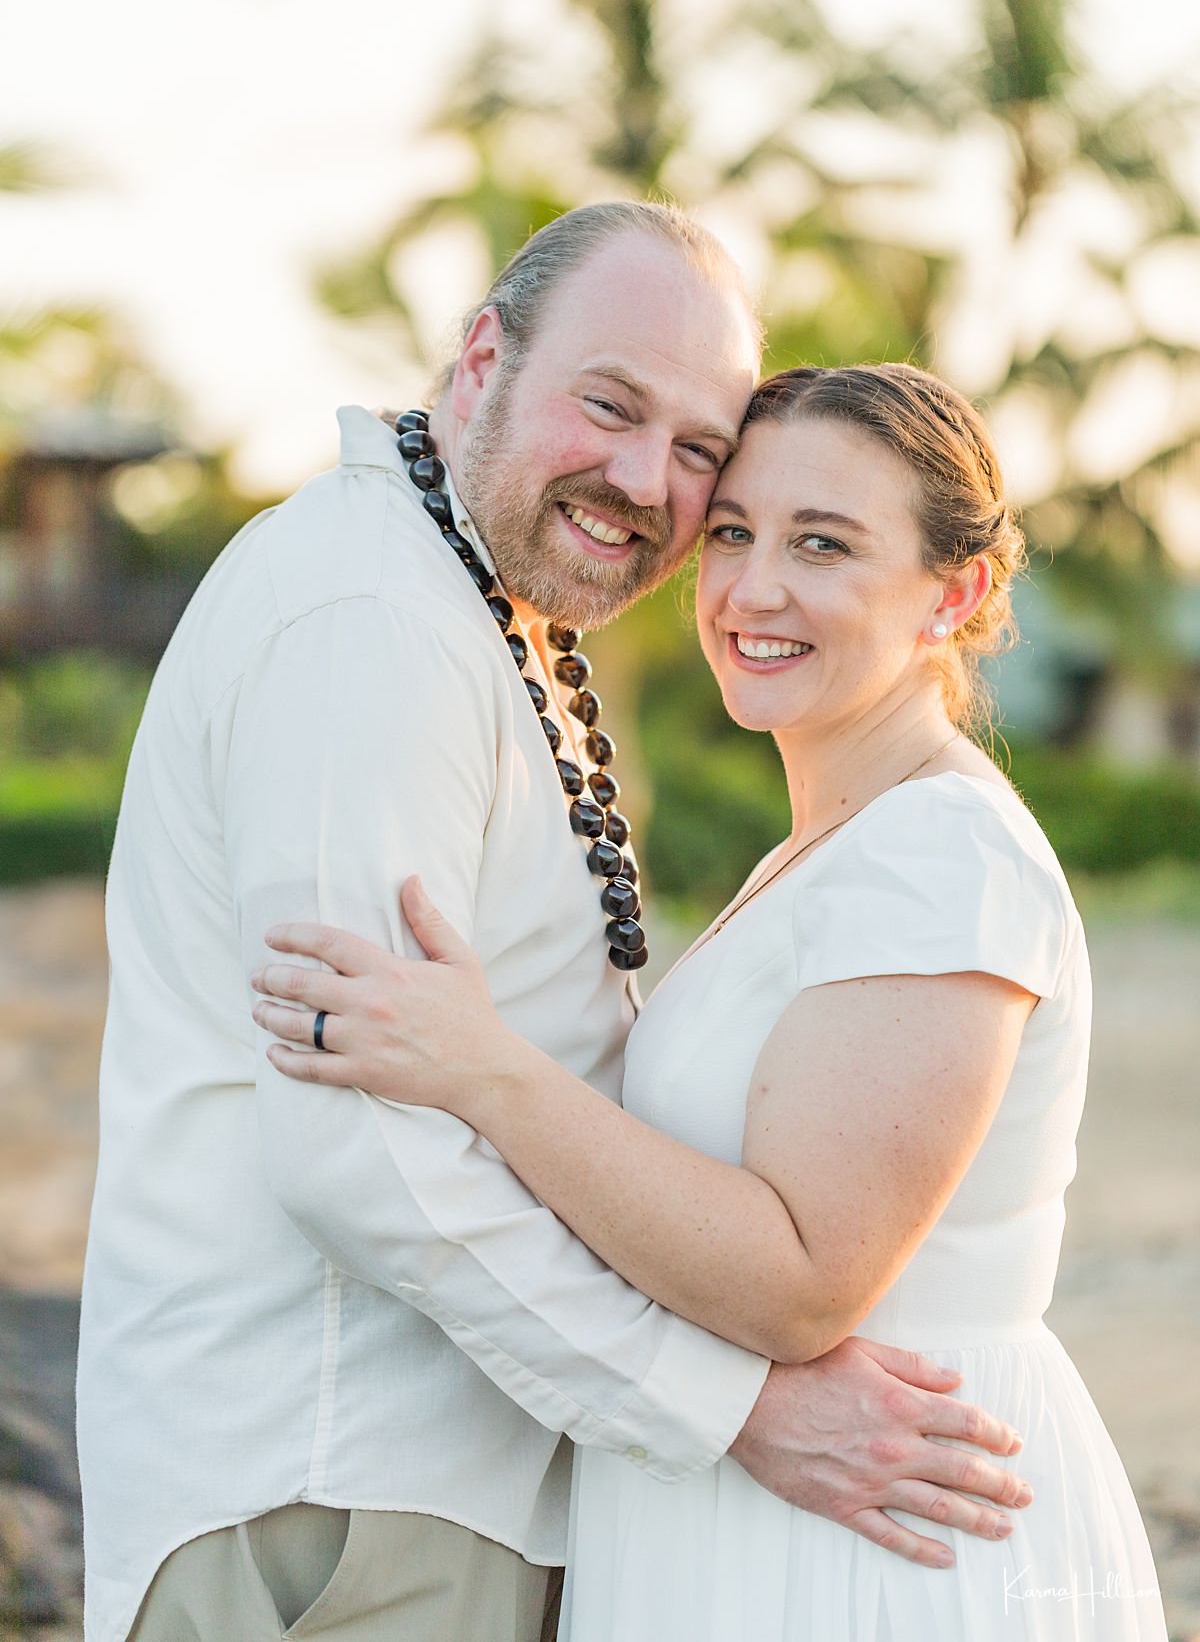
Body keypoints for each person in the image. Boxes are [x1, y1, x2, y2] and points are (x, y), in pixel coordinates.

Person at [78, 206, 1030, 1642]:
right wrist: (726, 1407)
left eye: (700, 447)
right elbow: (358, 1148)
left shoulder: (475, 610)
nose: (648, 479)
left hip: (432, 1488)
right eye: (609, 403)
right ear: (481, 360)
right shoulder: (371, 619)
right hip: (340, 1492)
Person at [255, 361, 1168, 1641]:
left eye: (825, 544)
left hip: (875, 1534)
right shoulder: (834, 843)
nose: (754, 587)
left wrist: (482, 1067)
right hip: (779, 1505)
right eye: (733, 530)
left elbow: (801, 1282)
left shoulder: (937, 859)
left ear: (952, 593)